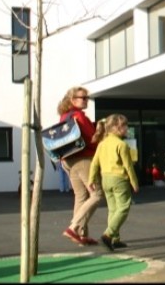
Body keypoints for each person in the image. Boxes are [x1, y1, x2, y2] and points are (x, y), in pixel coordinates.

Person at [57, 86, 103, 246]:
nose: (86, 100)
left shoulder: (65, 117)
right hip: (84, 159)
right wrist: (100, 131)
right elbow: (92, 139)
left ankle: (82, 234)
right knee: (96, 194)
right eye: (83, 98)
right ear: (72, 99)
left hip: (68, 160)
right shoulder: (79, 116)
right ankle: (74, 227)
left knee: (81, 196)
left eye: (87, 97)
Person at [88, 114, 139, 250]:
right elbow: (128, 166)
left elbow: (94, 163)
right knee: (123, 207)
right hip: (119, 179)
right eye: (125, 126)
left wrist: (91, 179)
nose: (127, 128)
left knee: (113, 209)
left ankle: (115, 239)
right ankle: (108, 235)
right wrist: (134, 182)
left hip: (105, 179)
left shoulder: (102, 144)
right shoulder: (121, 145)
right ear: (117, 127)